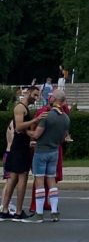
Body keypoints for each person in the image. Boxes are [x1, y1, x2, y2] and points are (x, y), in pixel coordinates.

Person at [0, 85, 41, 221]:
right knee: (21, 177)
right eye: (35, 95)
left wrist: (31, 133)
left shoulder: (24, 108)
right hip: (19, 148)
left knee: (13, 178)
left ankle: (5, 209)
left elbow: (23, 130)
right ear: (28, 92)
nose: (36, 99)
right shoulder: (20, 108)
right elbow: (19, 126)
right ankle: (17, 211)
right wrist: (35, 120)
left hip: (20, 147)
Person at [29, 89, 70, 223]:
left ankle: (39, 213)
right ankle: (54, 211)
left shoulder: (46, 116)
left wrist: (27, 131)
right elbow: (64, 137)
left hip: (41, 150)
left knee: (39, 181)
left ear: (53, 99)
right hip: (54, 151)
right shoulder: (65, 118)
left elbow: (36, 135)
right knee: (52, 181)